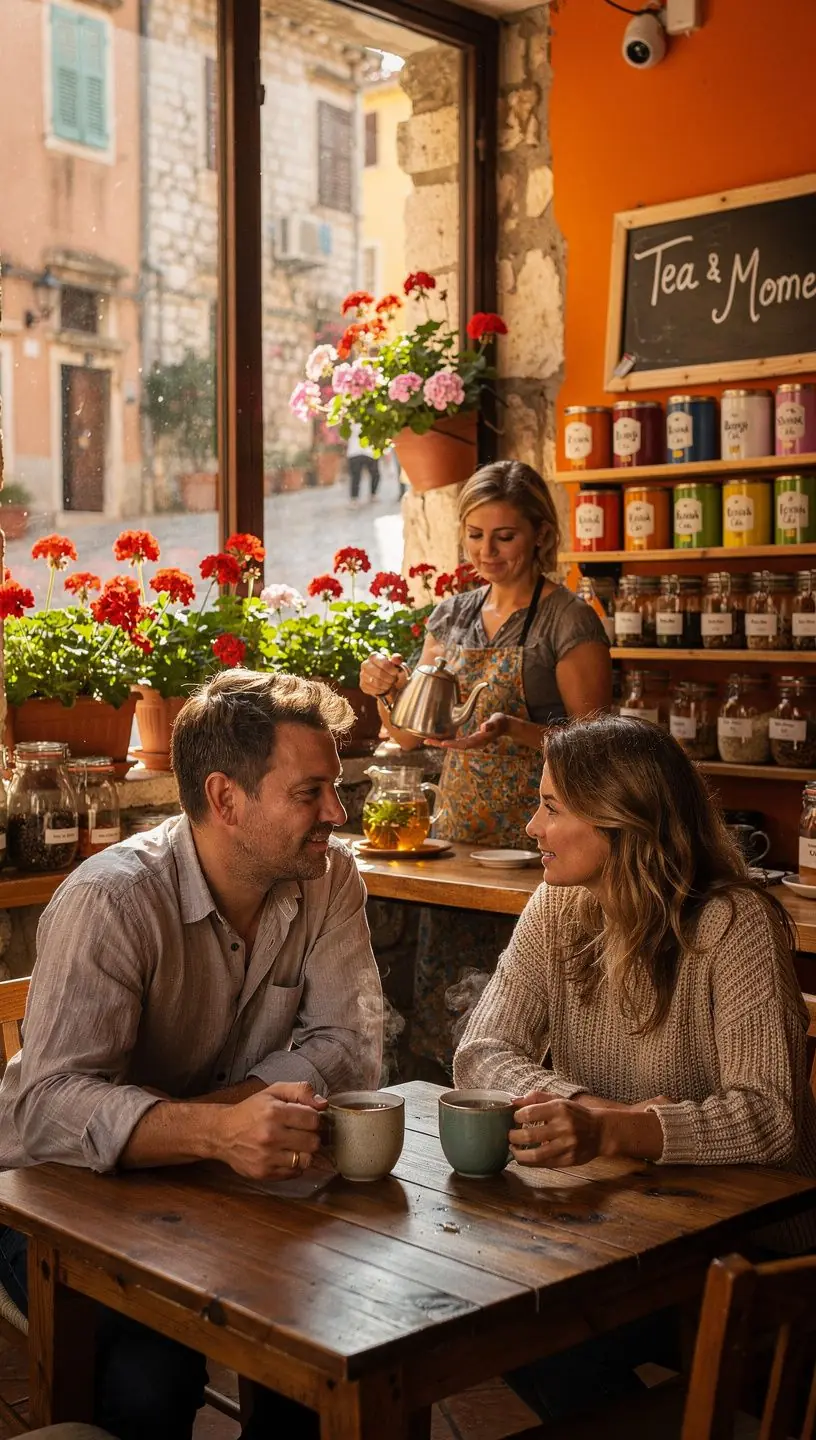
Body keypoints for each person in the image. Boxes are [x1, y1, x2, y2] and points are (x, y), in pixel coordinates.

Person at [0, 670, 382, 1440]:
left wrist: (216, 1129)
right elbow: (48, 1111)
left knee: (329, 1335)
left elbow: (353, 1047)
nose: (337, 815)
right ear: (226, 799)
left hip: (219, 1189)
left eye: (335, 789)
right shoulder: (112, 899)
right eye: (310, 793)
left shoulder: (329, 875)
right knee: (152, 1379)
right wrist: (219, 1129)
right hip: (52, 1192)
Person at [455, 715, 816, 1422]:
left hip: (754, 1247)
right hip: (626, 1223)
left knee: (536, 1330)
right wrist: (587, 1108)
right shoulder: (557, 903)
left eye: (552, 807)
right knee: (490, 1307)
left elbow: (770, 1117)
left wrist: (615, 1132)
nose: (532, 827)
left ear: (623, 820)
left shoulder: (735, 922)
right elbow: (480, 1052)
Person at [358, 459, 612, 1068]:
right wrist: (383, 691)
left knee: (527, 999)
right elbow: (411, 735)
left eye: (504, 536)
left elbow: (600, 747)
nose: (487, 552)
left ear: (540, 534)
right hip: (457, 838)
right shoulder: (451, 615)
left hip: (543, 842)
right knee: (447, 998)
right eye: (475, 535)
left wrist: (512, 730)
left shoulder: (567, 619)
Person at [346, 422, 380, 508]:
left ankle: (373, 494)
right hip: (355, 451)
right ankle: (354, 498)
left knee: (375, 474)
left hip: (369, 451)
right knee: (355, 476)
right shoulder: (348, 419)